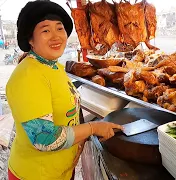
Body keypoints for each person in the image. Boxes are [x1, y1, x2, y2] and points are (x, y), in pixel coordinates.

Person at [6, 1, 123, 180]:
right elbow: (44, 138)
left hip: (60, 172)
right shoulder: (28, 76)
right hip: (35, 174)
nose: (56, 37)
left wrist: (80, 139)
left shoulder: (53, 66)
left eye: (59, 29)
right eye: (45, 30)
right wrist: (93, 128)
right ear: (30, 39)